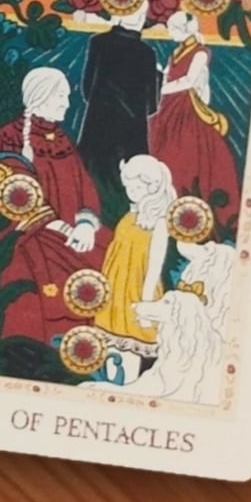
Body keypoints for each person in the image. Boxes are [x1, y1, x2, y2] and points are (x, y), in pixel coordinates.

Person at [0, 67, 110, 345]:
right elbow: (18, 201)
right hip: (30, 236)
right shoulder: (9, 139)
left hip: (74, 230)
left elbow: (84, 187)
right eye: (60, 97)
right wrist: (64, 229)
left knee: (114, 253)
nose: (67, 103)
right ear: (40, 98)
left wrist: (86, 225)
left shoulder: (61, 139)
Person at [148, 10, 241, 236]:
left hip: (186, 106)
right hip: (168, 105)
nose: (169, 32)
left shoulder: (200, 52)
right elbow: (168, 73)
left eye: (172, 29)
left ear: (185, 30)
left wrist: (162, 88)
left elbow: (189, 81)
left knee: (183, 152)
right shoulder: (176, 51)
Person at [92, 155, 177, 384]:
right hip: (115, 289)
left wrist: (146, 303)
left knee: (130, 346)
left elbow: (155, 264)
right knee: (111, 345)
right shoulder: (131, 214)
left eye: (137, 187)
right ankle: (111, 384)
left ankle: (126, 386)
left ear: (153, 187)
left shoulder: (159, 222)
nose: (132, 192)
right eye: (129, 187)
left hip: (137, 291)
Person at [77, 7, 161, 189]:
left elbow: (86, 88)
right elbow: (152, 105)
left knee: (91, 174)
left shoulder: (98, 42)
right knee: (129, 180)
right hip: (132, 128)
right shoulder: (147, 52)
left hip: (97, 122)